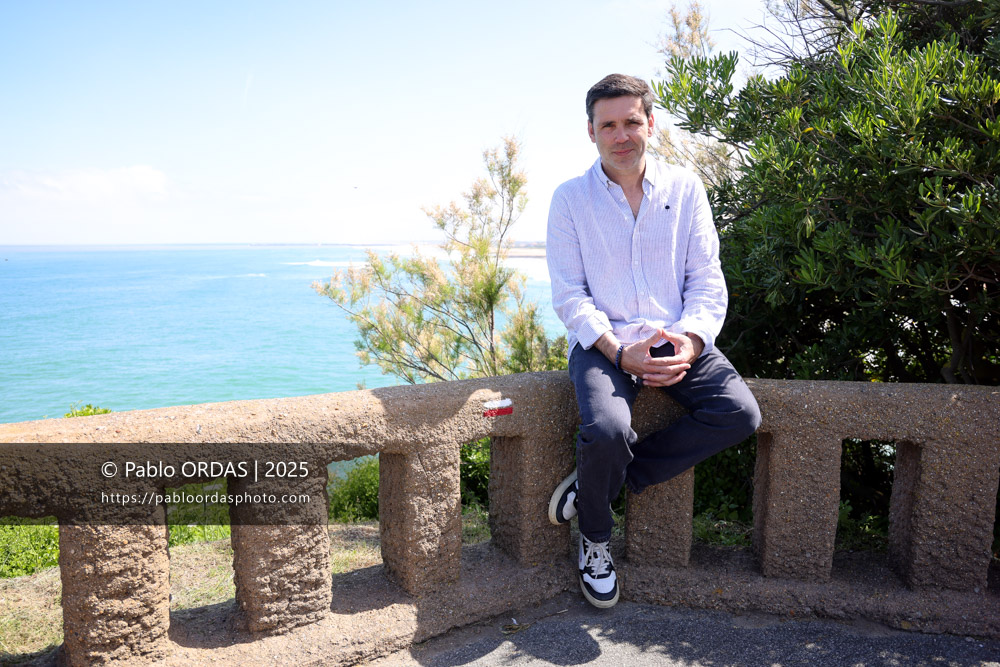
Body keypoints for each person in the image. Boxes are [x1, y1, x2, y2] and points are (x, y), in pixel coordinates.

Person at [545, 73, 761, 609]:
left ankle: (602, 480)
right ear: (591, 131)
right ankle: (595, 540)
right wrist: (619, 352)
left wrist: (691, 340)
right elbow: (571, 296)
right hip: (605, 344)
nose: (622, 135)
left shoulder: (686, 189)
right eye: (608, 125)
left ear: (651, 123)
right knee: (609, 429)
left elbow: (706, 280)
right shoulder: (570, 200)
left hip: (677, 335)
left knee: (740, 414)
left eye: (632, 122)